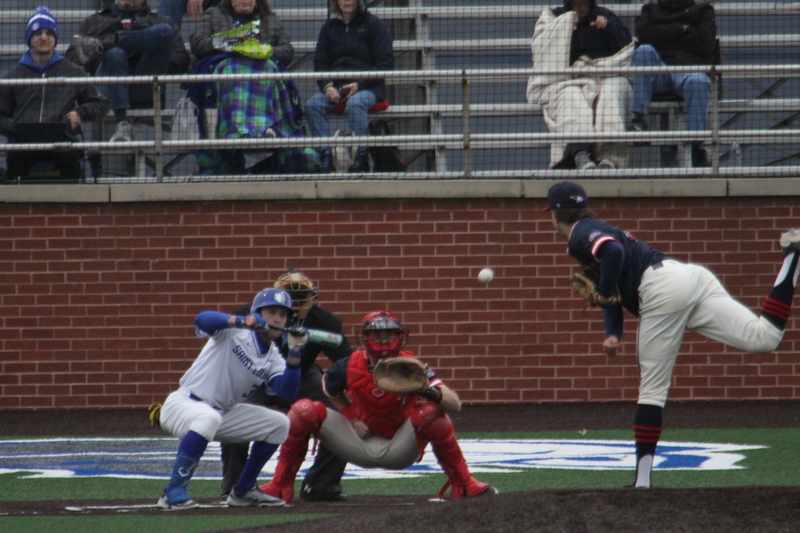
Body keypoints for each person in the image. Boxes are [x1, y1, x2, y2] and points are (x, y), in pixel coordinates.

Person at [545, 180, 800, 488]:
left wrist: (607, 291)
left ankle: (641, 483)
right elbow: (610, 285)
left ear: (555, 215)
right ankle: (793, 258)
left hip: (661, 289)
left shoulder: (579, 234)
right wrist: (613, 333)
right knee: (765, 339)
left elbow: (611, 256)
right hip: (689, 278)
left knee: (652, 389)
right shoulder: (596, 226)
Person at [260, 310, 498, 502]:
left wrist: (424, 389)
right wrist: (352, 417)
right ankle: (280, 486)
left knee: (432, 414)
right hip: (358, 441)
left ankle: (464, 485)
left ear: (400, 336)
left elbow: (454, 405)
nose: (384, 340)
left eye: (390, 334)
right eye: (378, 335)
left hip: (400, 445)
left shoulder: (412, 366)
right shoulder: (348, 365)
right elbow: (329, 391)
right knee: (303, 410)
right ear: (365, 338)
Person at [156, 287, 305, 509]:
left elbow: (287, 392)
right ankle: (173, 492)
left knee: (279, 424)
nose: (277, 318)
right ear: (258, 313)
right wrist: (241, 321)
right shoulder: (235, 331)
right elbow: (202, 319)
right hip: (184, 404)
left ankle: (243, 491)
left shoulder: (273, 356)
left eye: (282, 314)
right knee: (209, 418)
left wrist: (295, 356)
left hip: (221, 413)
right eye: (272, 311)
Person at [219, 270, 353, 502]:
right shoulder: (244, 317)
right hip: (255, 377)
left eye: (300, 298)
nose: (281, 315)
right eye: (274, 311)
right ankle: (236, 487)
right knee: (235, 418)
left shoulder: (325, 321)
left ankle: (321, 484)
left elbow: (347, 362)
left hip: (300, 373)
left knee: (341, 414)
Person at [189, 0, 314, 175]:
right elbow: (197, 43)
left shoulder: (269, 20)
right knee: (234, 68)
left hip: (263, 69)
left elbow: (287, 50)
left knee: (268, 67)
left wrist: (264, 49)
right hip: (223, 71)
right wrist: (228, 44)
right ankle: (237, 128)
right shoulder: (213, 15)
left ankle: (266, 127)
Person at [0, 7, 109, 182]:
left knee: (71, 180)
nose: (44, 37)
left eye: (49, 33)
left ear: (55, 38)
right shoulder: (13, 76)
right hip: (22, 146)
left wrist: (79, 113)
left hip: (63, 143)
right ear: (29, 39)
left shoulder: (73, 71)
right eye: (38, 34)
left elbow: (101, 104)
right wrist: (17, 128)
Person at [526, 0, 633, 170]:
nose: (582, 8)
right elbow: (541, 50)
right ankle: (579, 154)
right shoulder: (552, 17)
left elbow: (625, 47)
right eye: (578, 4)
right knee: (571, 96)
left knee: (613, 90)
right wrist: (564, 27)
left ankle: (609, 159)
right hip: (566, 78)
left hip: (604, 74)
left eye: (585, 4)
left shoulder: (606, 15)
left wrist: (608, 28)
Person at [67, 0, 190, 142]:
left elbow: (182, 61)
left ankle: (105, 44)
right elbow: (72, 58)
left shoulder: (160, 20)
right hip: (107, 88)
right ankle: (122, 123)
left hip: (146, 86)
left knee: (165, 31)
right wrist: (103, 54)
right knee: (116, 54)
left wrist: (144, 47)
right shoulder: (94, 21)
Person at [306, 0, 394, 174]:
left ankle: (361, 158)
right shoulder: (328, 27)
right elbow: (320, 63)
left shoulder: (375, 25)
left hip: (369, 86)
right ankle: (325, 155)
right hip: (337, 86)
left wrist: (360, 84)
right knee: (312, 106)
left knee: (355, 104)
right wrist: (327, 86)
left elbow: (385, 63)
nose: (347, 1)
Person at [626, 0, 718, 167]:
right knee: (643, 51)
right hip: (659, 71)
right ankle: (638, 120)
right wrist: (682, 29)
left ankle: (696, 146)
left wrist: (663, 34)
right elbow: (644, 35)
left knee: (699, 81)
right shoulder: (650, 9)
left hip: (690, 71)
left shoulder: (704, 11)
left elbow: (705, 43)